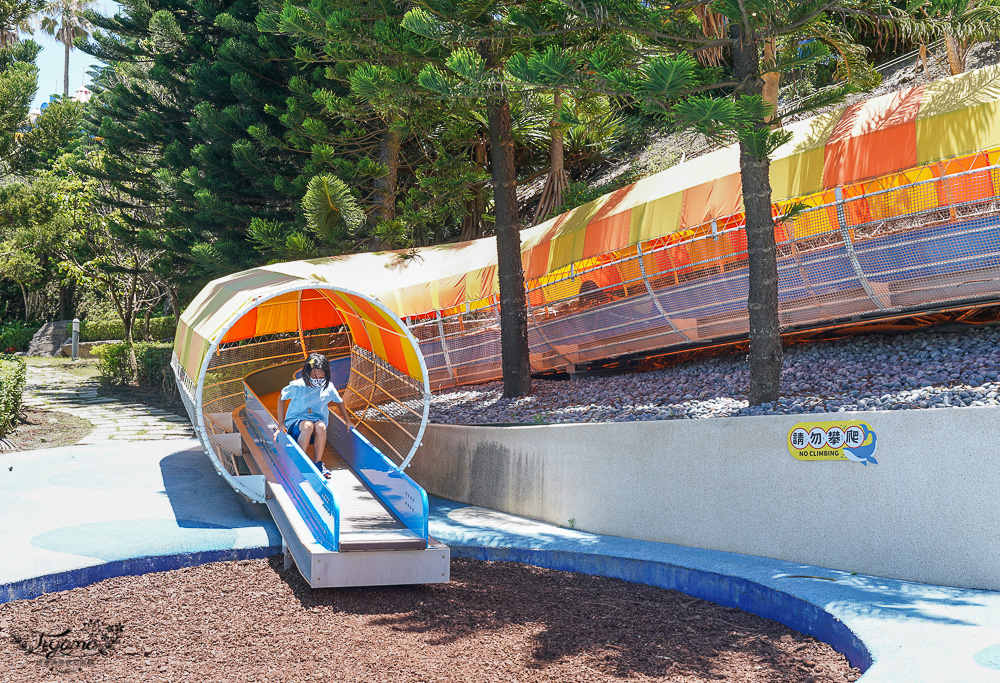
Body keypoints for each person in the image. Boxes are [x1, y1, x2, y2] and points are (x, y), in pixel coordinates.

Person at [275, 353, 352, 479]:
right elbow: (281, 398)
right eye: (314, 377)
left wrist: (347, 421)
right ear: (307, 373)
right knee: (308, 425)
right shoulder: (297, 386)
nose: (318, 381)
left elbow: (339, 401)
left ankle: (318, 464)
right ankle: (300, 463)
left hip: (317, 422)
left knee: (321, 426)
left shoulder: (328, 387)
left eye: (321, 377)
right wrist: (280, 424)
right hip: (296, 422)